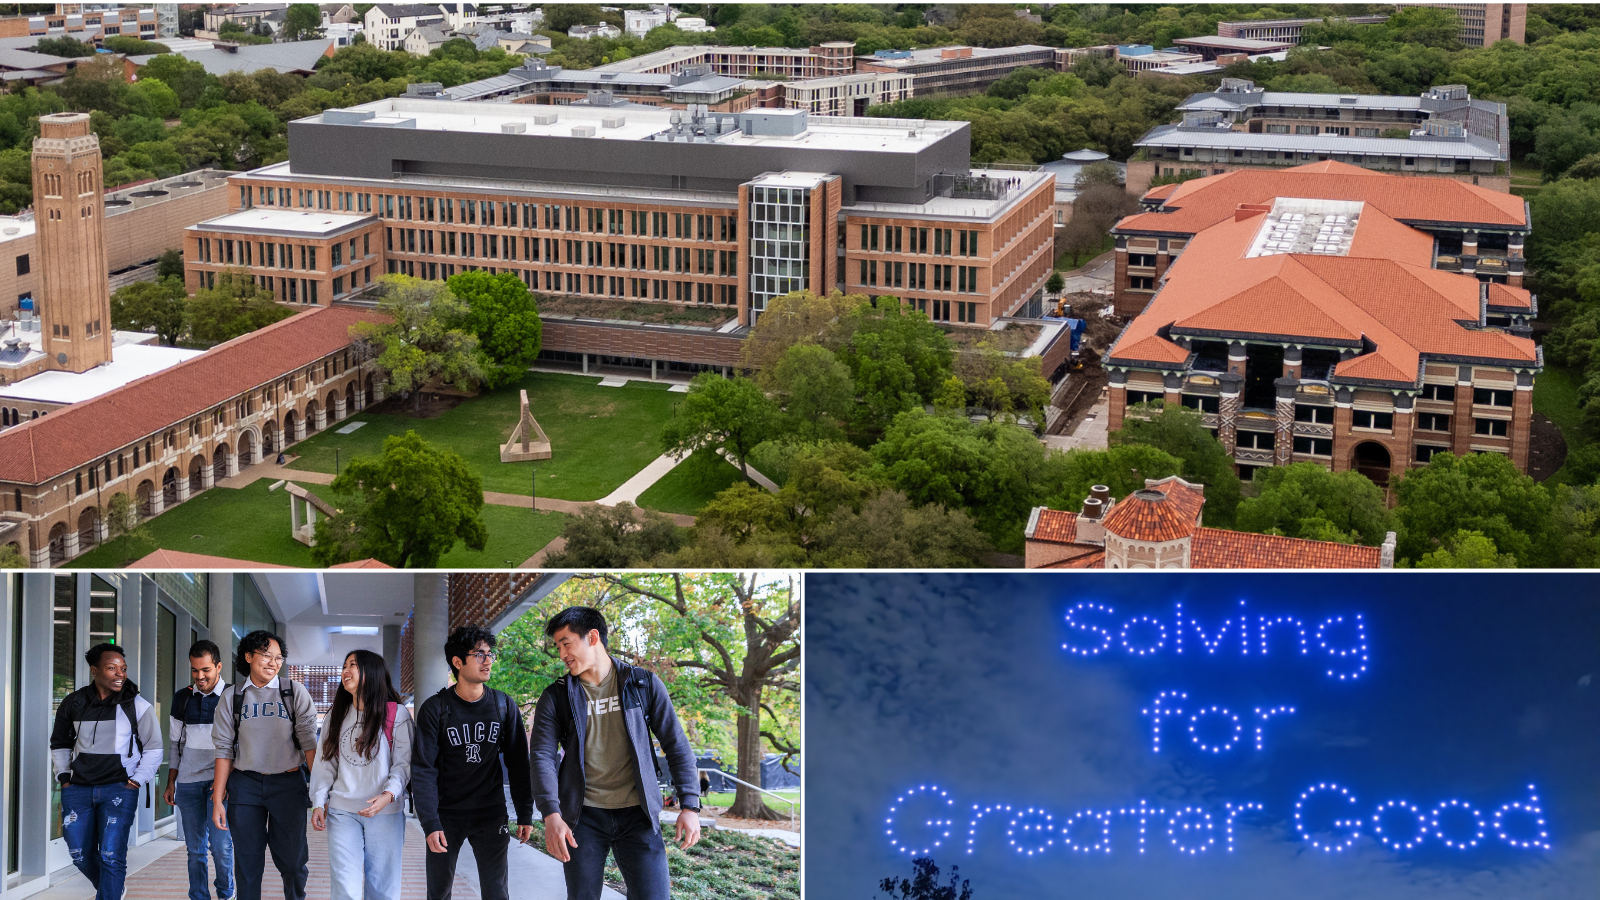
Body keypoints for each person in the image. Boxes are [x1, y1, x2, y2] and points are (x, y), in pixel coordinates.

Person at [531, 607, 702, 900]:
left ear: (592, 637)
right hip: (583, 817)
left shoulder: (643, 684)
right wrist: (551, 813)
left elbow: (676, 744)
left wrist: (690, 805)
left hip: (638, 815)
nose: (562, 654)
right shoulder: (556, 696)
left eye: (566, 643)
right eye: (558, 647)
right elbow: (542, 756)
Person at [413, 626, 534, 900]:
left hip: (491, 813)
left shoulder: (503, 706)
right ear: (457, 662)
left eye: (490, 654)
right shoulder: (435, 709)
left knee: (496, 892)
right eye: (479, 655)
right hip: (446, 815)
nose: (488, 661)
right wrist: (430, 822)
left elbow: (518, 763)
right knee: (439, 892)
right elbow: (423, 770)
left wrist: (525, 812)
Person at [49, 642, 163, 900]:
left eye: (123, 668)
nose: (120, 674)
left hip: (119, 789)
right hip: (78, 788)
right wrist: (64, 779)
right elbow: (60, 743)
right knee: (79, 854)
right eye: (112, 668)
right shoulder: (74, 702)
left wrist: (136, 781)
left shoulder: (137, 705)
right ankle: (113, 888)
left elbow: (155, 748)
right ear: (94, 670)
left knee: (111, 855)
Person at [210, 630, 317, 900]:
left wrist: (319, 794)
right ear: (248, 656)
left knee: (293, 862)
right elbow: (223, 750)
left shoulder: (294, 692)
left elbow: (309, 746)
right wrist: (218, 799)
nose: (273, 663)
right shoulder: (232, 696)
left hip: (288, 784)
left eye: (278, 658)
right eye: (267, 655)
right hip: (245, 785)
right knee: (247, 864)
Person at [310, 650, 414, 900]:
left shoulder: (396, 714)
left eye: (353, 665)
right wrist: (318, 802)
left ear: (372, 671)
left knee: (383, 889)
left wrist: (388, 795)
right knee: (345, 888)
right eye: (345, 666)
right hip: (342, 812)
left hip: (385, 812)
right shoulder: (336, 715)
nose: (346, 671)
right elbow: (325, 763)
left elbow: (403, 764)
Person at [164, 640, 234, 900]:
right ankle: (199, 896)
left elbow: (241, 744)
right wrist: (171, 782)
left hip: (220, 784)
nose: (200, 676)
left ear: (218, 667)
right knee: (195, 850)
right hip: (188, 783)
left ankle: (226, 894)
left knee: (221, 847)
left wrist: (226, 781)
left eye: (206, 669)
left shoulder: (234, 696)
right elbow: (175, 744)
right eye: (195, 670)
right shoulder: (182, 698)